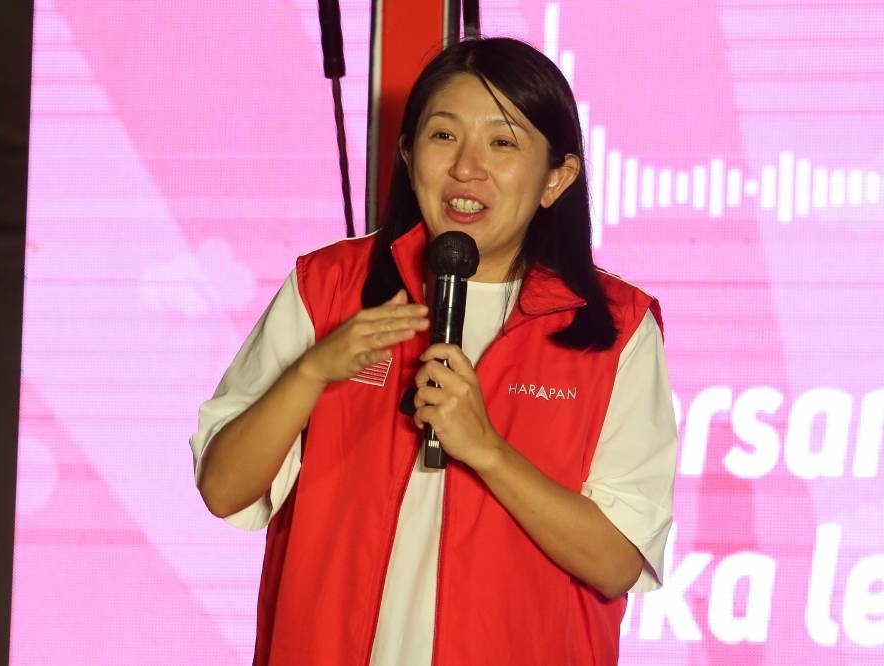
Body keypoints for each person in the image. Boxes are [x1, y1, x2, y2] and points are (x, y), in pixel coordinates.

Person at [190, 37, 677, 666]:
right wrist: (310, 372)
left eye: (502, 143)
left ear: (557, 177)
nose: (466, 169)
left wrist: (489, 451)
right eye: (443, 136)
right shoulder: (330, 286)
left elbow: (615, 563)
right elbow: (224, 490)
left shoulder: (615, 329)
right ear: (407, 151)